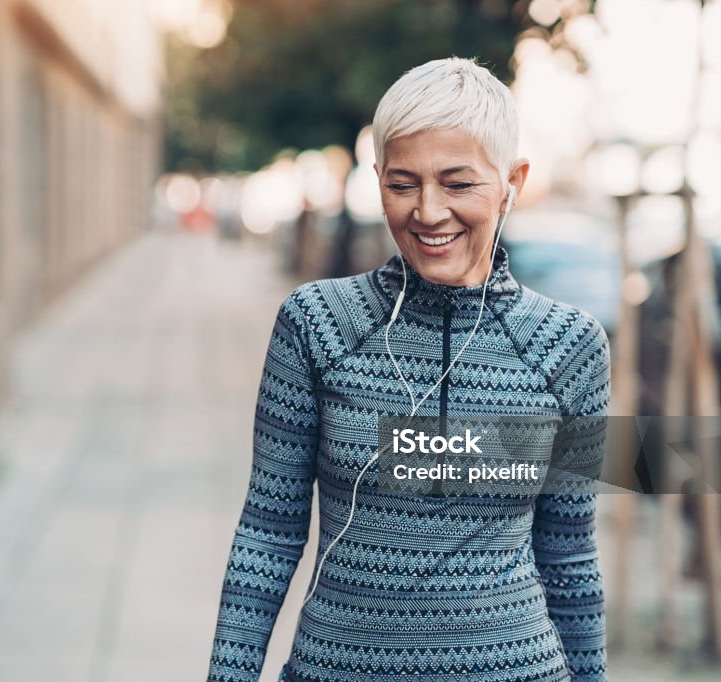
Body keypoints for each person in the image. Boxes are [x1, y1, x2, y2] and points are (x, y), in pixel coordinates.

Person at [207, 57, 609, 682]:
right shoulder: (318, 323)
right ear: (378, 181)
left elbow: (569, 556)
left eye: (458, 183)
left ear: (512, 182)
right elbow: (268, 532)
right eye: (402, 184)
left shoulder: (567, 344)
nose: (427, 212)